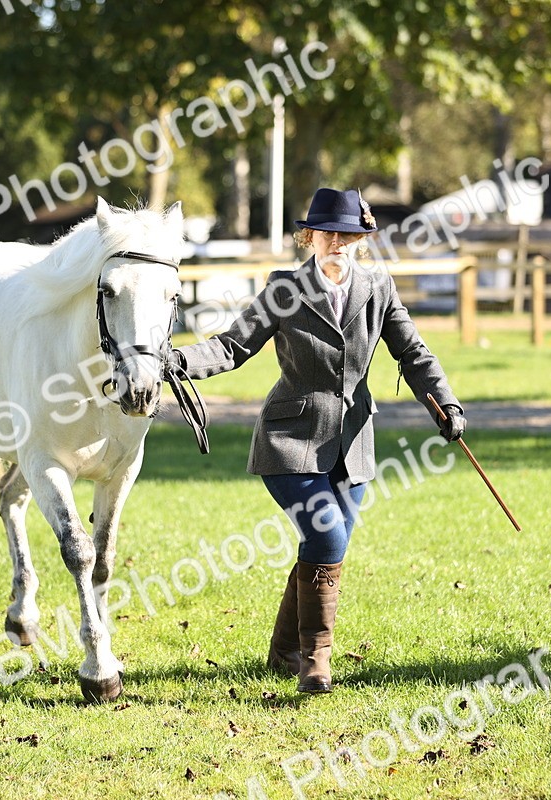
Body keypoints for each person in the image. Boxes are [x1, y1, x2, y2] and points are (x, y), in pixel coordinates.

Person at [169, 188, 466, 694]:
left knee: (325, 543)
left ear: (361, 241)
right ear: (310, 237)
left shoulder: (377, 286)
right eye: (328, 233)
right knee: (327, 536)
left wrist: (446, 403)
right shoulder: (284, 288)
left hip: (354, 443)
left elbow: (412, 352)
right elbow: (233, 346)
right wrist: (178, 362)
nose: (338, 243)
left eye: (349, 235)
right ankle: (315, 661)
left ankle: (283, 651)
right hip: (289, 439)